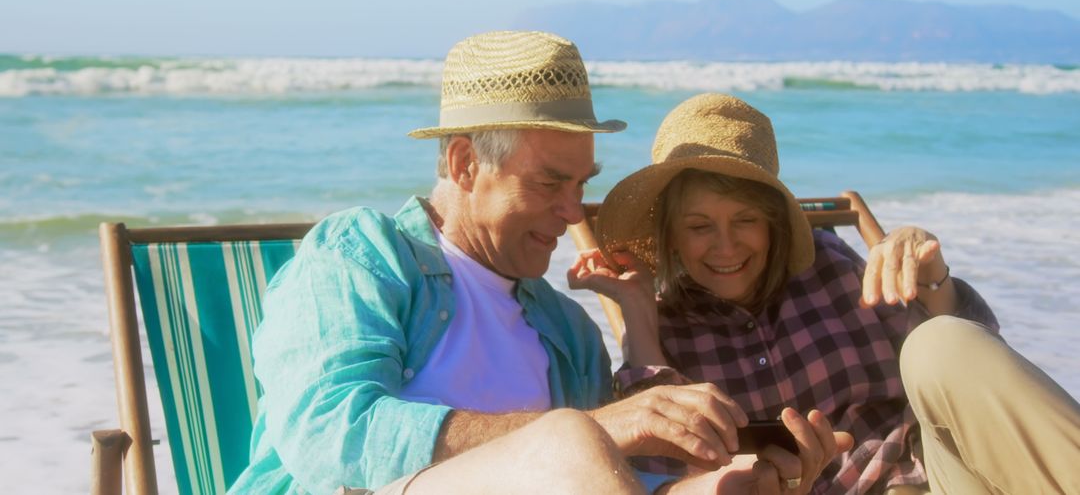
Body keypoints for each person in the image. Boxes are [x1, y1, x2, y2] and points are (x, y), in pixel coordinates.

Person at [229, 35, 850, 495]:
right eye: (551, 183)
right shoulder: (363, 255)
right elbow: (329, 436)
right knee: (568, 437)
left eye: (582, 184)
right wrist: (586, 427)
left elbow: (607, 482)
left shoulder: (567, 333)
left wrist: (729, 485)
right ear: (466, 164)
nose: (573, 211)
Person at [569, 93, 1080, 494]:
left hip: (937, 479)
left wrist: (933, 280)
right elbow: (662, 472)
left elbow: (975, 378)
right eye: (699, 226)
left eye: (745, 220)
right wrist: (638, 315)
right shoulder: (667, 329)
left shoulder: (830, 267)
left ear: (773, 223)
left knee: (940, 341)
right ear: (673, 237)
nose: (725, 246)